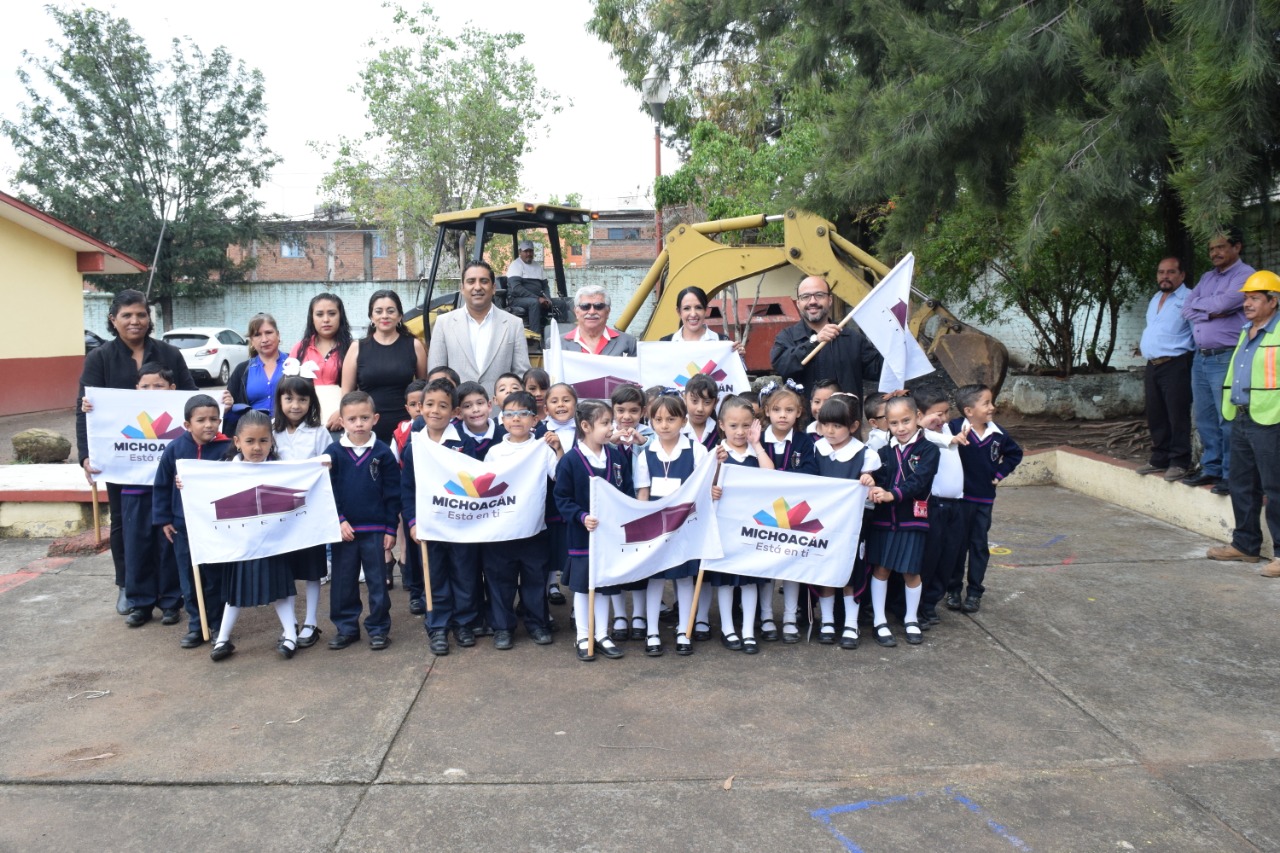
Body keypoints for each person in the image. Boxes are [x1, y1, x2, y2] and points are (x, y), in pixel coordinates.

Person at [77, 289, 197, 614]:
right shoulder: (99, 358)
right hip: (122, 457)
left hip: (167, 457)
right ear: (113, 320)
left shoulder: (170, 354)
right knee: (123, 522)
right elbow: (83, 409)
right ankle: (127, 586)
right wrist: (87, 455)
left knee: (169, 521)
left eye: (141, 315)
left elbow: (192, 400)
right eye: (127, 315)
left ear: (149, 319)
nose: (135, 321)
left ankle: (171, 593)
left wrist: (218, 404)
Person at [81, 363, 184, 628]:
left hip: (169, 493)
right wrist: (93, 409)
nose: (151, 391)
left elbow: (205, 418)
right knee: (136, 546)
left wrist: (224, 404)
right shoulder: (123, 411)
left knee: (168, 545)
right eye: (145, 386)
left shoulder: (181, 412)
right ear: (135, 389)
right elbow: (102, 427)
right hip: (133, 489)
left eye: (159, 386)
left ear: (173, 389)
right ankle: (141, 603)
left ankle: (171, 602)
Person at [208, 411, 300, 662]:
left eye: (263, 441)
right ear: (237, 442)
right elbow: (204, 490)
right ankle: (223, 640)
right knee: (234, 595)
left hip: (273, 543)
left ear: (272, 442)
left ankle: (291, 634)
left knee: (280, 590)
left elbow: (304, 480)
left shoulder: (281, 469)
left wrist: (321, 468)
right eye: (250, 441)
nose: (257, 447)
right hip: (241, 544)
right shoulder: (225, 470)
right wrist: (185, 483)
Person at [1207, 270, 1280, 577]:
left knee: (1275, 488)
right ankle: (1246, 546)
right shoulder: (1245, 331)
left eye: (1254, 298)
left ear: (1273, 302)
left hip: (1270, 419)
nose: (1247, 304)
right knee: (1241, 485)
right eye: (1245, 299)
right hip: (1240, 417)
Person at [553, 399, 633, 662]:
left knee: (604, 586)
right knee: (583, 587)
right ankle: (583, 635)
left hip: (609, 536)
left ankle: (602, 634)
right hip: (582, 536)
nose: (611, 427)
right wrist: (581, 516)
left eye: (611, 422)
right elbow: (562, 498)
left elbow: (625, 491)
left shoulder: (616, 456)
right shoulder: (571, 461)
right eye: (605, 423)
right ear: (586, 426)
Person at [483, 390, 562, 649]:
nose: (516, 419)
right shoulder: (495, 452)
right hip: (501, 531)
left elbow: (560, 477)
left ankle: (537, 624)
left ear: (535, 420)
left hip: (533, 530)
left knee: (535, 581)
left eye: (523, 414)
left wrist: (559, 449)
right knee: (500, 582)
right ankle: (503, 628)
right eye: (510, 414)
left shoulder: (543, 448)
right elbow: (484, 489)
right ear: (502, 419)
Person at [634, 393, 710, 657]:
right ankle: (652, 631)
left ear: (683, 420)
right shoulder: (646, 454)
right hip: (657, 526)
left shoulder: (697, 450)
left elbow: (704, 488)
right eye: (657, 419)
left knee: (685, 577)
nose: (664, 425)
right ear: (650, 421)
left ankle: (684, 630)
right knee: (655, 578)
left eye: (671, 419)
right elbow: (643, 493)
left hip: (686, 524)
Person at [153, 394, 231, 648]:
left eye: (213, 419)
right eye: (201, 420)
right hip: (183, 526)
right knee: (189, 577)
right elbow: (162, 485)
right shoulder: (175, 449)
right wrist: (164, 518)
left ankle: (218, 625)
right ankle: (197, 625)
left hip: (215, 525)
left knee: (214, 576)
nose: (208, 425)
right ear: (187, 425)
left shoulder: (227, 448)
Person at [325, 391, 402, 651]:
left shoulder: (383, 453)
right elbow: (327, 490)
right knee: (343, 583)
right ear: (342, 421)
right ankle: (346, 628)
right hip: (344, 531)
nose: (359, 423)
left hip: (375, 531)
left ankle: (379, 628)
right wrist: (339, 520)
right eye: (352, 418)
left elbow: (393, 494)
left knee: (377, 583)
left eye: (364, 418)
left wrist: (391, 528)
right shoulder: (333, 452)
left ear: (375, 418)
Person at [1181, 228, 1256, 495]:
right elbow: (1187, 308)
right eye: (1212, 248)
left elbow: (1223, 305)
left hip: (1226, 356)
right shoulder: (1206, 277)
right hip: (1200, 359)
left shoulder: (1246, 275)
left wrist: (1209, 307)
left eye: (1221, 247)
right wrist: (1208, 310)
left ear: (1237, 247)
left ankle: (1230, 474)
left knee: (1228, 418)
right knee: (1205, 417)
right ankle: (1210, 468)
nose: (1215, 253)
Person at [400, 379, 472, 656]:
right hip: (429, 526)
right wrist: (413, 523)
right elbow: (407, 489)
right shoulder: (414, 446)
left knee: (464, 575)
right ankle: (438, 625)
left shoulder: (464, 444)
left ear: (454, 412)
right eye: (429, 404)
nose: (434, 411)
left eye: (443, 406)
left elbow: (474, 484)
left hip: (459, 525)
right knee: (435, 577)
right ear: (419, 407)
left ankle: (464, 622)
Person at [864, 394, 940, 647]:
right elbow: (881, 478)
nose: (900, 428)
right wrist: (872, 483)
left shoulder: (929, 450)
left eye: (906, 421)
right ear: (887, 423)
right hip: (885, 521)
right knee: (881, 569)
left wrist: (891, 494)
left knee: (911, 571)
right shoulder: (884, 452)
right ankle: (879, 621)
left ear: (918, 418)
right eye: (894, 423)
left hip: (912, 520)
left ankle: (910, 619)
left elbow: (919, 482)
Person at [947, 384, 1024, 614]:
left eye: (991, 402)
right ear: (969, 410)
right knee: (956, 546)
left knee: (979, 546)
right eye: (987, 403)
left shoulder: (999, 434)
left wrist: (999, 474)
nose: (992, 407)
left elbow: (1015, 454)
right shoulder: (951, 429)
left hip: (983, 501)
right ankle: (952, 589)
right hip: (959, 500)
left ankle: (974, 592)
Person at [813, 394, 880, 649]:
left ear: (853, 426)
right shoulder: (816, 449)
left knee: (852, 573)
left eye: (837, 425)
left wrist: (869, 483)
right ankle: (827, 620)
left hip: (853, 527)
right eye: (825, 424)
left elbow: (871, 497)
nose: (829, 430)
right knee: (826, 571)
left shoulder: (865, 455)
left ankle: (851, 623)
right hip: (823, 526)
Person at [710, 395, 776, 654]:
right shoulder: (717, 454)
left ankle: (748, 629)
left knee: (750, 580)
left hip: (752, 528)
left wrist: (757, 444)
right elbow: (707, 487)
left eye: (746, 425)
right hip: (725, 530)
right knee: (726, 581)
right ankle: (728, 628)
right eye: (734, 426)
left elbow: (770, 476)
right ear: (722, 425)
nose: (740, 431)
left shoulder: (755, 453)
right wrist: (713, 483)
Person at [271, 374, 331, 649]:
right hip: (280, 515)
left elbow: (328, 466)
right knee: (285, 569)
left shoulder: (319, 432)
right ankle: (289, 624)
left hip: (310, 513)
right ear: (279, 400)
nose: (296, 405)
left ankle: (310, 621)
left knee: (311, 569)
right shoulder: (271, 430)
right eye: (289, 398)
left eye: (303, 399)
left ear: (311, 402)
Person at [759, 380, 818, 643]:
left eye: (789, 410)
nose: (783, 415)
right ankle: (766, 616)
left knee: (792, 566)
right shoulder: (757, 439)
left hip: (795, 513)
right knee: (765, 566)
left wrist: (777, 477)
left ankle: (791, 618)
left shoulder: (805, 442)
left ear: (799, 413)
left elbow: (809, 474)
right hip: (763, 512)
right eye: (777, 409)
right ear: (767, 412)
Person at [427, 261, 531, 394]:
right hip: (458, 410)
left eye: (484, 281)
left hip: (499, 412)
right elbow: (436, 377)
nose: (477, 287)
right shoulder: (443, 323)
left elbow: (521, 375)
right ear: (462, 288)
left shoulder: (513, 324)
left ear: (493, 288)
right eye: (471, 281)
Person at [770, 276, 883, 395]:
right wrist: (814, 342)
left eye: (819, 295)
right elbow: (782, 367)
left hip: (846, 412)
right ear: (798, 303)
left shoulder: (852, 338)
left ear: (830, 300)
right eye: (805, 297)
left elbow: (879, 370)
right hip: (804, 413)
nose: (812, 301)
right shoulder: (787, 337)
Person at [342, 289, 428, 446]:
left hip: (407, 429)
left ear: (400, 316)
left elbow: (423, 389)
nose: (385, 316)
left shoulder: (414, 346)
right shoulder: (357, 348)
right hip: (368, 428)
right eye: (378, 311)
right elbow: (346, 395)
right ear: (371, 317)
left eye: (390, 311)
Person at [1136, 258, 1195, 481]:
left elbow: (1196, 332)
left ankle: (1180, 461)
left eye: (1171, 272)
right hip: (1152, 365)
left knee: (1176, 413)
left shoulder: (1189, 298)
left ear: (1182, 275)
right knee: (1156, 413)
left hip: (1176, 364)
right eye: (1161, 272)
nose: (1165, 276)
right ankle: (1159, 457)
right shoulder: (1155, 298)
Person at [915, 386, 966, 630]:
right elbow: (927, 434)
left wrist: (947, 431)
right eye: (936, 414)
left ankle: (932, 601)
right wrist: (948, 438)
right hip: (933, 505)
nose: (942, 419)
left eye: (946, 413)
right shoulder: (922, 435)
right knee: (930, 557)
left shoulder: (946, 429)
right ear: (918, 416)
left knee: (949, 556)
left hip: (956, 506)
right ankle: (919, 605)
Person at [291, 293, 354, 431]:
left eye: (332, 314)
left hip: (343, 424)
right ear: (312, 318)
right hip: (304, 423)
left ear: (340, 316)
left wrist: (344, 412)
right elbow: (289, 388)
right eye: (319, 314)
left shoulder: (353, 348)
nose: (326, 319)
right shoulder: (300, 349)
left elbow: (361, 389)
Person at [223, 313, 286, 431]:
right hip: (253, 433)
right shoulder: (242, 370)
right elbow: (228, 406)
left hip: (287, 431)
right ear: (251, 340)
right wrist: (227, 404)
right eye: (257, 335)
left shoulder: (294, 364)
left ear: (278, 335)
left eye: (268, 332)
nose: (264, 339)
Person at [560, 285, 638, 356]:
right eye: (585, 306)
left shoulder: (629, 343)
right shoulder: (557, 343)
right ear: (576, 312)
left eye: (599, 306)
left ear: (607, 312)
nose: (592, 312)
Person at [658, 285, 742, 351]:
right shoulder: (665, 343)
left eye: (698, 307)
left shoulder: (722, 342)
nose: (693, 314)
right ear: (679, 312)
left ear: (705, 310)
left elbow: (731, 371)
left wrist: (738, 357)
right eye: (687, 308)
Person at [505, 240, 554, 336]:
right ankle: (536, 339)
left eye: (531, 251)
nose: (529, 254)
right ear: (520, 252)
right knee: (534, 303)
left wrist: (547, 299)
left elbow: (545, 286)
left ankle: (561, 336)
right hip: (517, 299)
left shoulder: (538, 266)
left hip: (537, 298)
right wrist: (537, 298)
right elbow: (517, 289)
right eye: (526, 251)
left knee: (561, 304)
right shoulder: (516, 265)